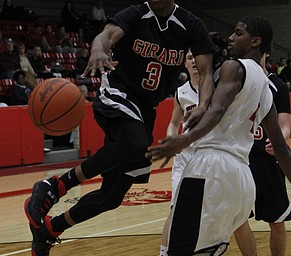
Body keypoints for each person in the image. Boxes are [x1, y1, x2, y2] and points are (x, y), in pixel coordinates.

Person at [24, 1, 215, 255]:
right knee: (135, 144)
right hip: (119, 92)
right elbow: (106, 36)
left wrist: (203, 105)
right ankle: (54, 186)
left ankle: (49, 230)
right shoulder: (136, 14)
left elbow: (206, 71)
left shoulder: (191, 24)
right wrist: (98, 50)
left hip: (146, 109)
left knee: (111, 197)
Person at [146, 16, 291, 256]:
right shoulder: (265, 88)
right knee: (205, 249)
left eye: (238, 33)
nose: (230, 37)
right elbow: (281, 148)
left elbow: (217, 111)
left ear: (255, 41)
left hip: (209, 167)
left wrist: (184, 139)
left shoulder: (233, 67)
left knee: (177, 250)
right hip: (241, 178)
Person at [234, 49, 291, 256]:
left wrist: (279, 141)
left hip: (267, 159)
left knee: (277, 221)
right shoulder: (235, 80)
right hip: (240, 157)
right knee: (238, 220)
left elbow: (285, 125)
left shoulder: (277, 86)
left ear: (265, 52)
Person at [160, 49, 199, 256]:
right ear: (185, 64)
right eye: (190, 58)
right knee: (176, 210)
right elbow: (173, 123)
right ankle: (164, 253)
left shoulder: (217, 87)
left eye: (196, 57)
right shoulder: (181, 92)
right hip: (186, 157)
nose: (193, 61)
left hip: (210, 157)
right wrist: (172, 139)